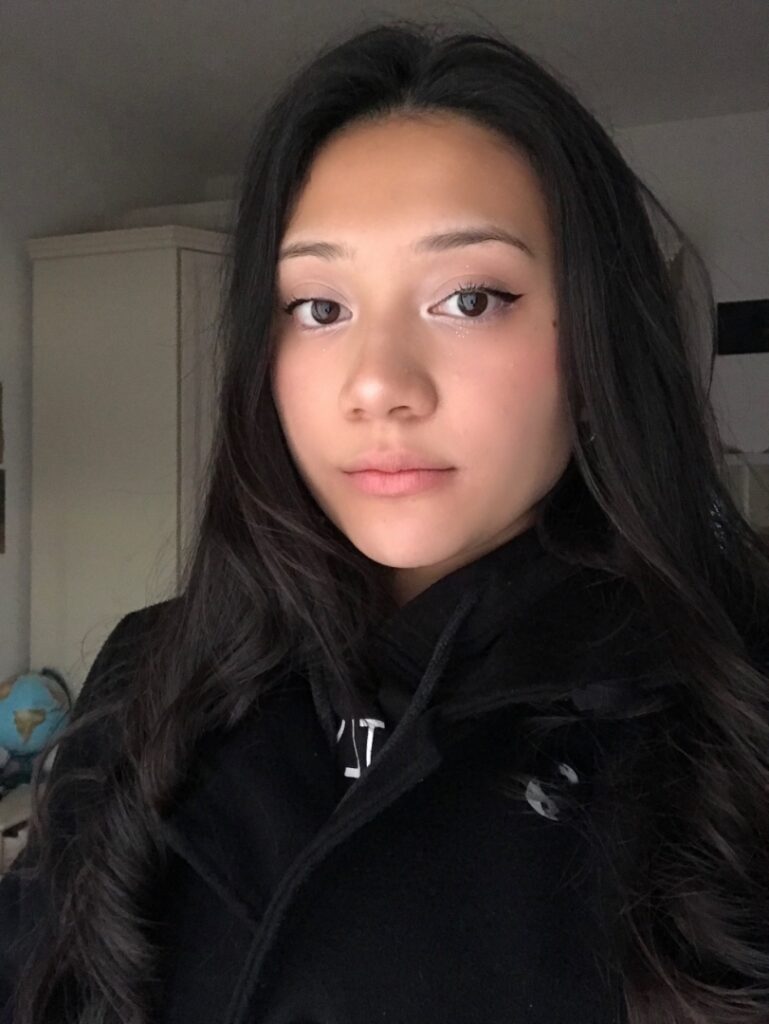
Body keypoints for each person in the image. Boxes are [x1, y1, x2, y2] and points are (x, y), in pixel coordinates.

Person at [2, 18, 769, 1024]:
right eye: (319, 309)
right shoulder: (153, 675)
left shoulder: (724, 717)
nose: (377, 384)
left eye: (469, 298)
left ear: (595, 339)